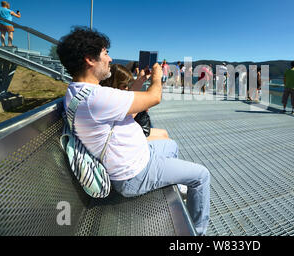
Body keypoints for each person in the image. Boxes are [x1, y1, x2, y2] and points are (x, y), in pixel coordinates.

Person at [57, 27, 210, 235]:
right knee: (201, 175)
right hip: (134, 174)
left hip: (138, 159)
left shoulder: (81, 93)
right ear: (90, 60)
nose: (110, 59)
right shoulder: (95, 98)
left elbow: (127, 110)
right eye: (105, 53)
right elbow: (154, 97)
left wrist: (139, 80)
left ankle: (177, 187)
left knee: (170, 145)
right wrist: (157, 78)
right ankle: (198, 233)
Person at [100, 63, 169, 141]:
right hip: (123, 138)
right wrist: (157, 77)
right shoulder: (111, 99)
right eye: (124, 86)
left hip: (124, 133)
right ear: (114, 84)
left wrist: (142, 79)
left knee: (164, 134)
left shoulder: (108, 94)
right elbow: (156, 98)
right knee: (167, 140)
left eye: (128, 85)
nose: (127, 88)